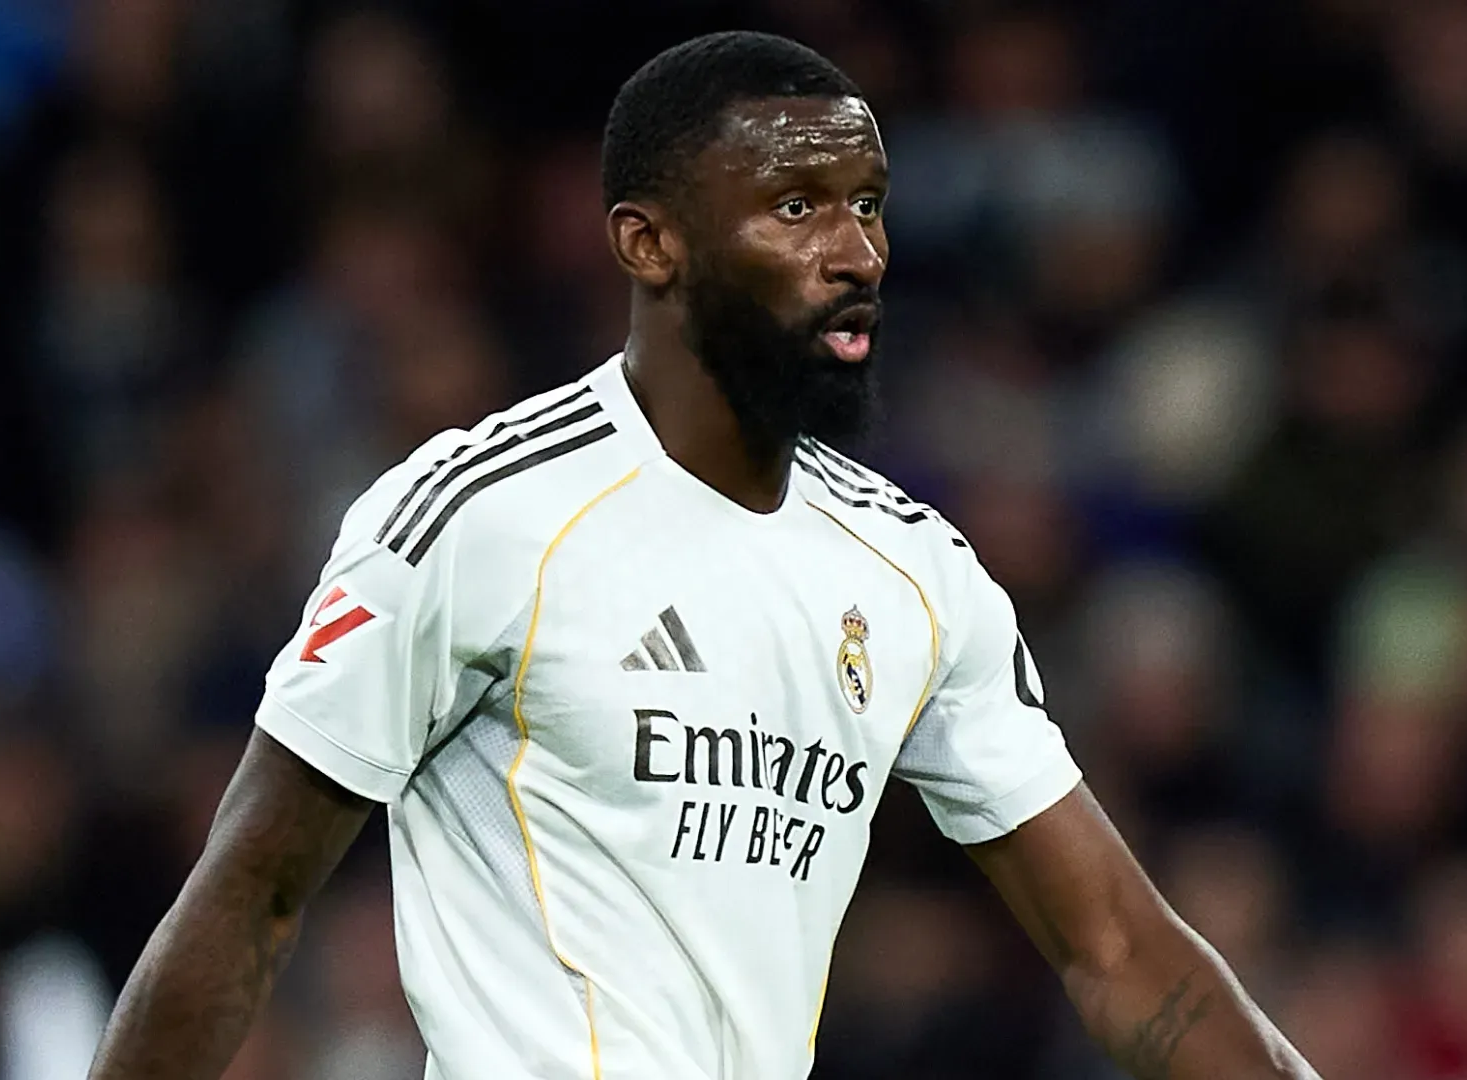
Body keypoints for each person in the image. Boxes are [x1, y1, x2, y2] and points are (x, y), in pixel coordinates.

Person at [87, 31, 1320, 1080]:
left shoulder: (916, 575)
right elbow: (254, 895)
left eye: (870, 205)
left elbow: (1118, 951)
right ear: (649, 244)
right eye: (798, 207)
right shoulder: (481, 513)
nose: (859, 253)